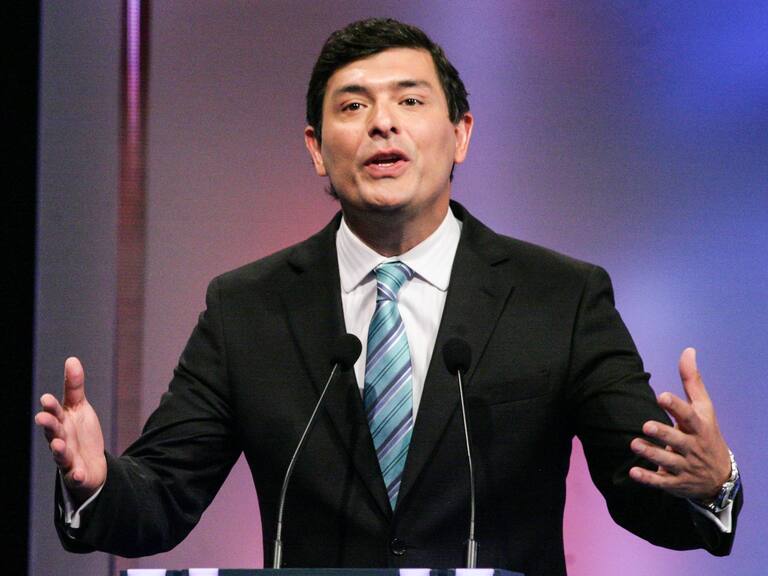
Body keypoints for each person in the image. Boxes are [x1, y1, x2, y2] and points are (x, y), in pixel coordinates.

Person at [35, 18, 741, 576]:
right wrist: (96, 482)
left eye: (410, 100)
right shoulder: (247, 309)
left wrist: (709, 485)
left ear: (460, 134)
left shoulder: (560, 298)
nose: (382, 123)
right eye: (353, 106)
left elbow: (646, 490)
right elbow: (161, 496)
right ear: (316, 149)